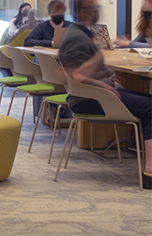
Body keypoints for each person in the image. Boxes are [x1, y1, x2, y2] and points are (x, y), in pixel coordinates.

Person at [58, 15, 152, 189]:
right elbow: (80, 76)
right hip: (95, 99)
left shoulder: (71, 44)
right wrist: (105, 84)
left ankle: (142, 149)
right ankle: (149, 172)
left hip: (81, 97)